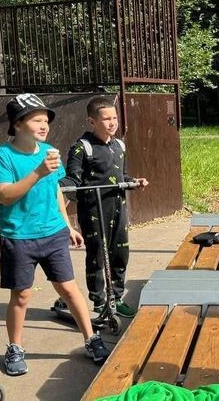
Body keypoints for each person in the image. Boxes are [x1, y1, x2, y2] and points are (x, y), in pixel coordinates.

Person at [0, 93, 109, 376]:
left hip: (53, 233)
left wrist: (68, 226)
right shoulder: (2, 156)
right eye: (36, 120)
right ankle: (14, 348)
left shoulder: (49, 151)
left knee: (69, 289)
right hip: (18, 237)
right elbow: (5, 196)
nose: (44, 125)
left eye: (46, 121)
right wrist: (39, 172)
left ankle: (91, 339)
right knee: (22, 295)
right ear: (17, 124)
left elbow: (56, 191)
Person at [56, 96, 148, 320]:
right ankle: (99, 301)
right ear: (92, 121)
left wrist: (134, 182)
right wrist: (59, 186)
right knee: (97, 255)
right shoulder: (82, 147)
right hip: (93, 211)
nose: (112, 123)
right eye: (106, 119)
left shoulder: (119, 145)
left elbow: (121, 175)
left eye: (114, 118)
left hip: (118, 208)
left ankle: (116, 298)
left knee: (120, 254)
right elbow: (73, 180)